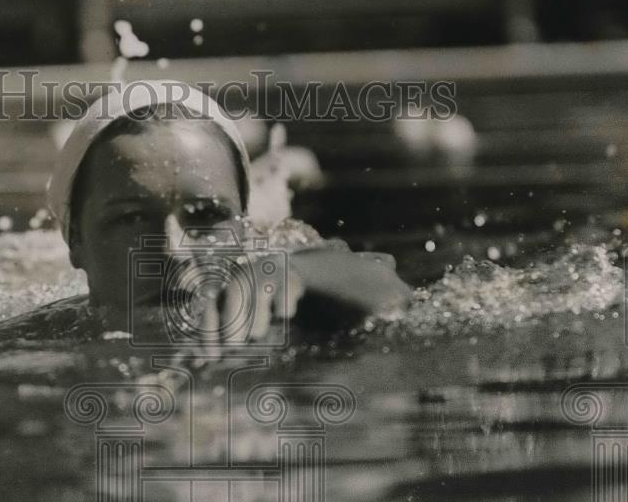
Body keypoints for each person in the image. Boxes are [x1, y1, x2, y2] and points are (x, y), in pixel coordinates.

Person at [34, 80, 412, 351]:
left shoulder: (288, 306)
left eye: (206, 216)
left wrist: (295, 271)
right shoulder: (36, 347)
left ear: (244, 228)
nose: (172, 251)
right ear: (75, 240)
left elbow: (385, 286)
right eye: (131, 219)